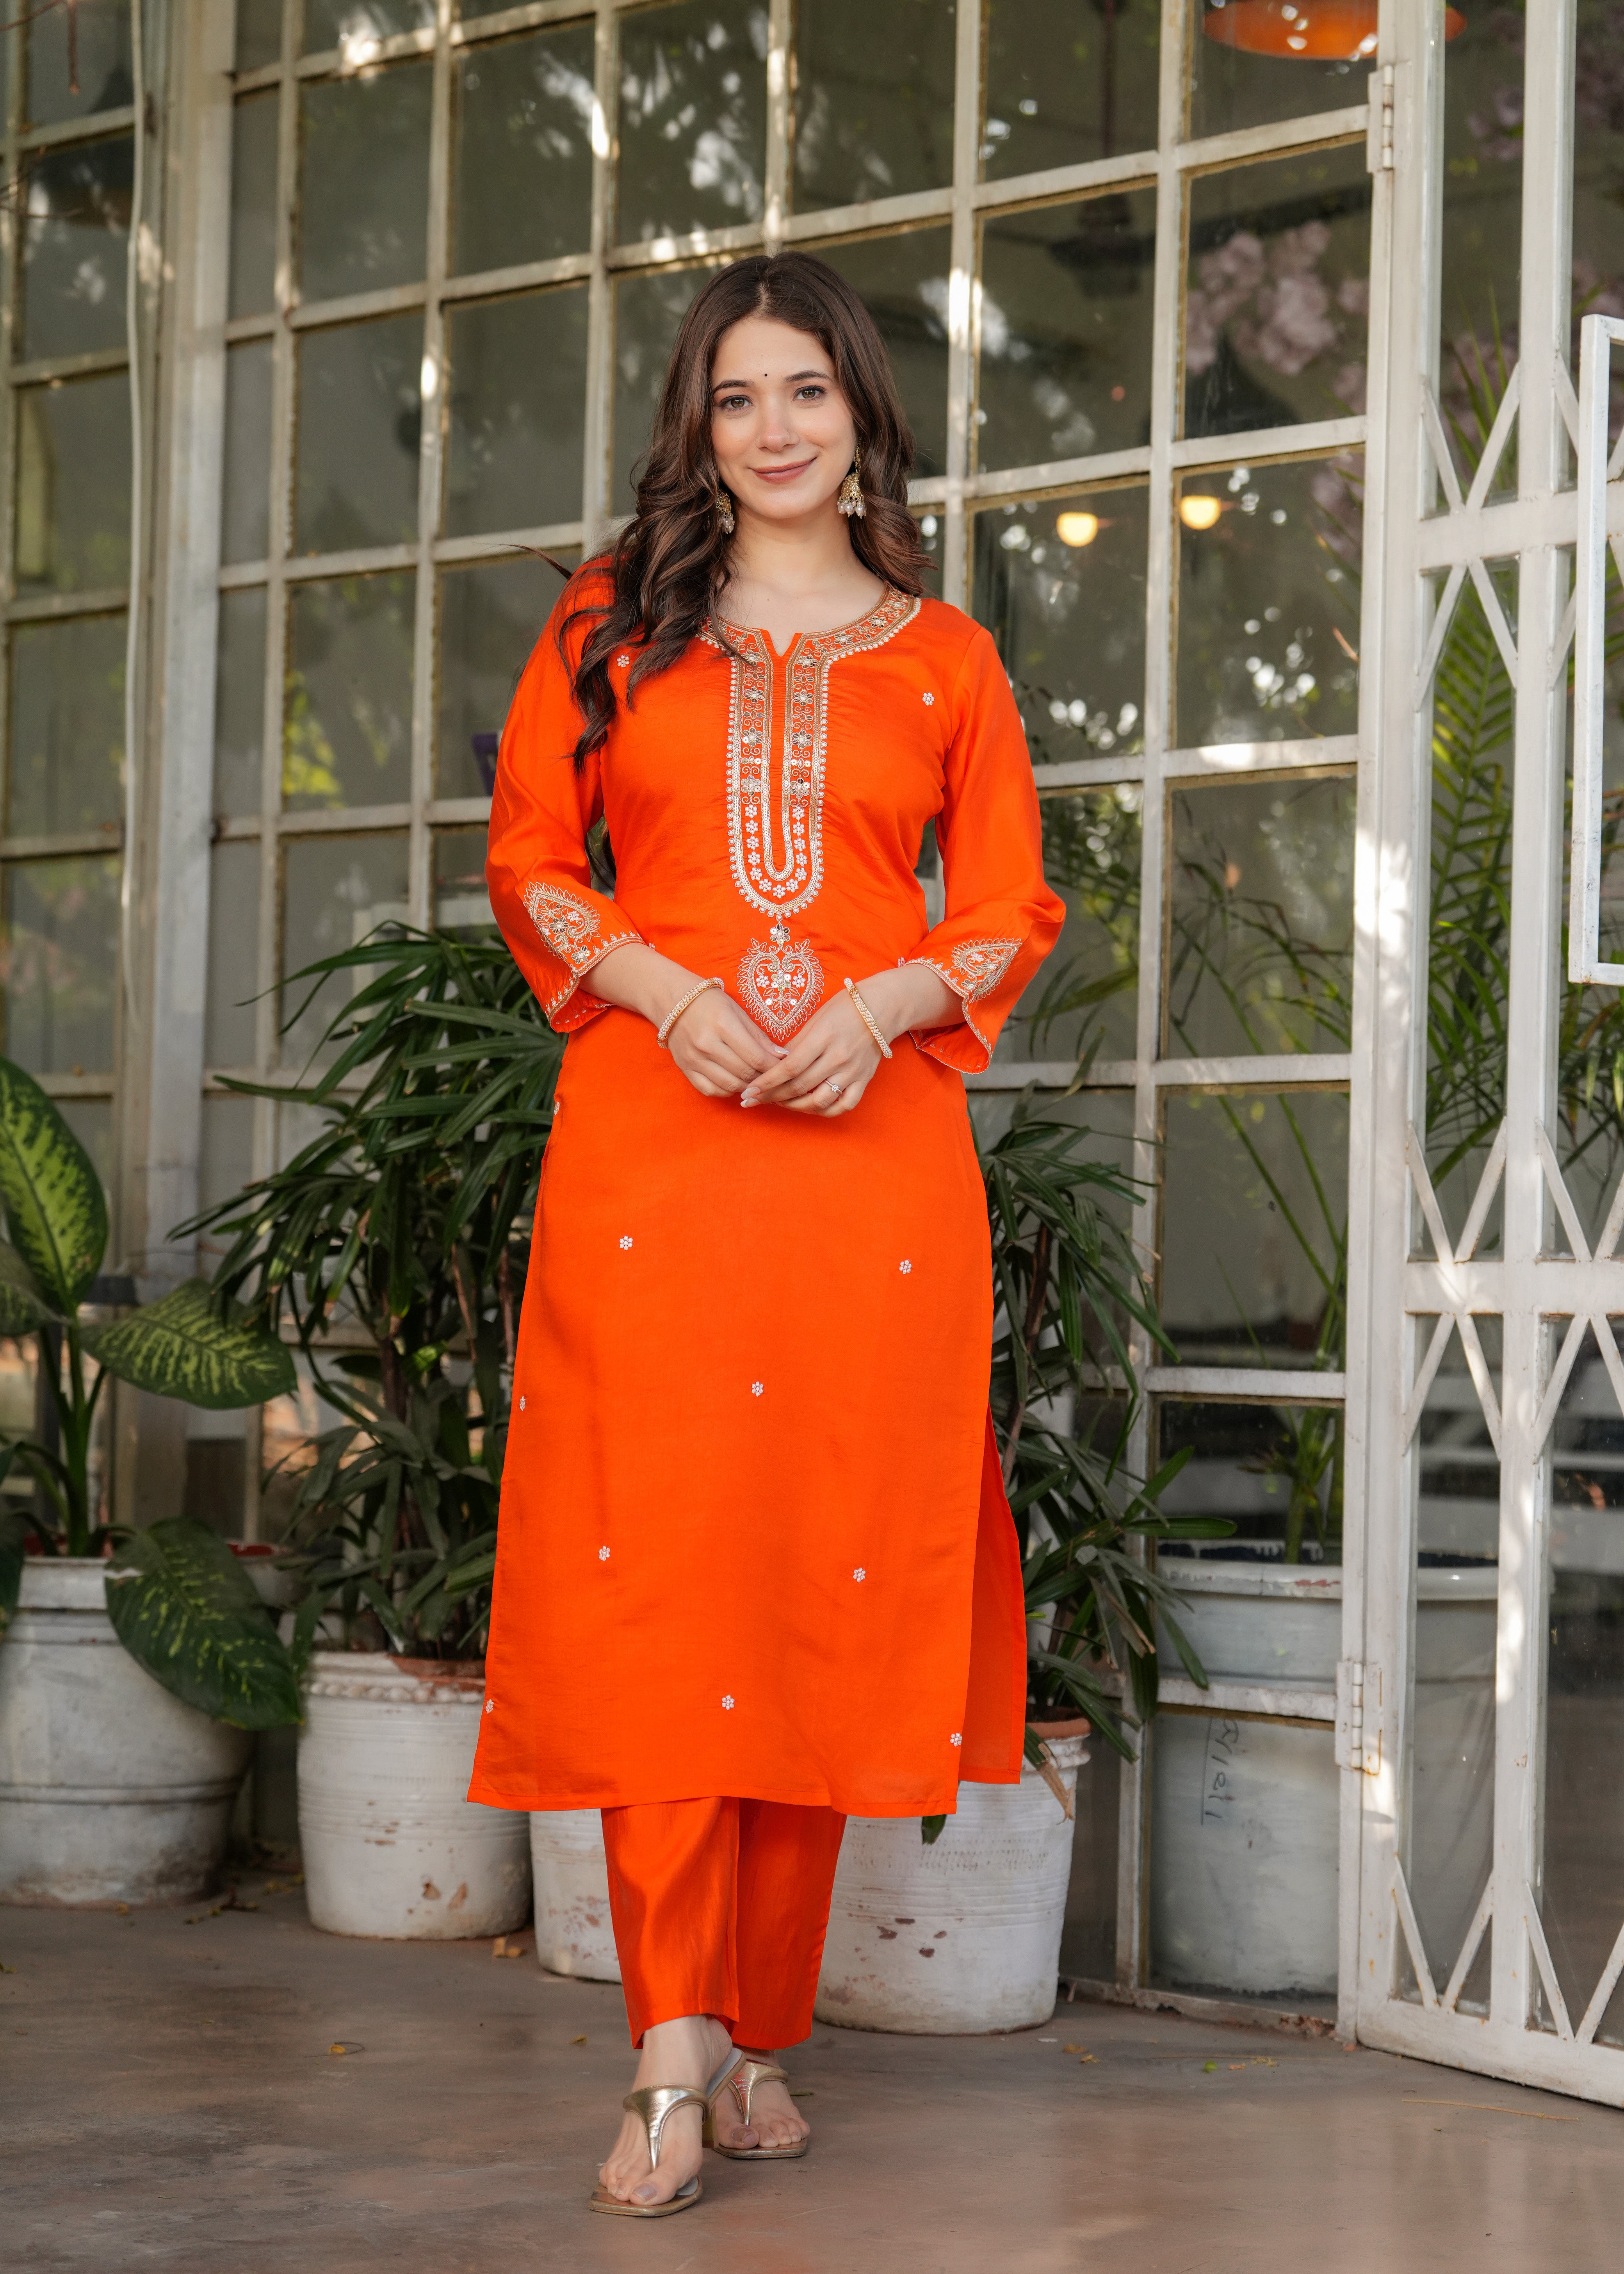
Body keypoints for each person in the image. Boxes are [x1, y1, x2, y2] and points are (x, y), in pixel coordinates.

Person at [470, 250, 1064, 2217]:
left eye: (806, 390)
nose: (775, 428)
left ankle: (752, 2029)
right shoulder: (609, 626)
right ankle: (663, 2040)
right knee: (660, 1573)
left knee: (820, 1573)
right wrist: (660, 983)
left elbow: (1001, 910)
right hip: (655, 1155)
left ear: (862, 411)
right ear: (697, 426)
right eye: (737, 398)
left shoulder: (943, 658)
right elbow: (532, 863)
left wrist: (885, 1010)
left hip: (867, 1175)